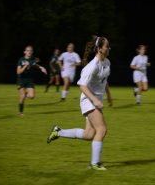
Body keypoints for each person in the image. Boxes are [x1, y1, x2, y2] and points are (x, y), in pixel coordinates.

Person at [47, 36, 113, 171]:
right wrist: (94, 100)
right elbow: (82, 85)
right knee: (102, 129)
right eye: (107, 46)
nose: (109, 48)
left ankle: (59, 132)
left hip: (96, 99)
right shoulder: (92, 66)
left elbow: (104, 81)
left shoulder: (107, 62)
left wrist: (109, 95)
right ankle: (95, 163)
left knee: (89, 134)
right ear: (100, 49)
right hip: (88, 100)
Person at [16, 45, 47, 115]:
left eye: (30, 50)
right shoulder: (21, 60)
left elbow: (36, 65)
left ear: (32, 52)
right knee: (22, 96)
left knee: (32, 96)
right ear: (24, 52)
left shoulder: (33, 59)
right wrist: (25, 66)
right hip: (21, 80)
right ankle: (20, 112)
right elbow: (18, 72)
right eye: (28, 50)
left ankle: (24, 94)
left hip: (30, 80)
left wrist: (42, 68)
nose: (29, 52)